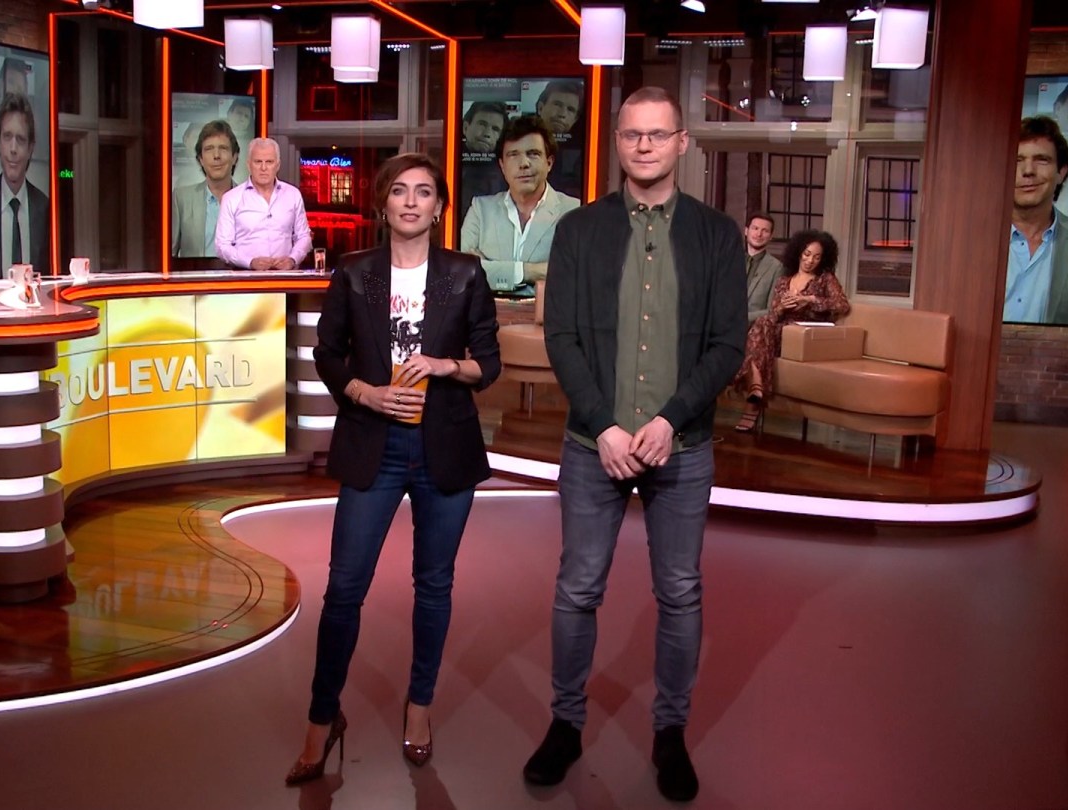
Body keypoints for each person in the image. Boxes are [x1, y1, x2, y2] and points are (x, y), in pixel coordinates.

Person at [525, 87, 745, 803]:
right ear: (616, 142)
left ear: (682, 143)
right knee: (577, 588)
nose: (644, 146)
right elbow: (561, 336)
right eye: (632, 135)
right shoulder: (579, 231)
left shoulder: (717, 235)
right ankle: (565, 724)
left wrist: (670, 420)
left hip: (682, 447)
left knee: (679, 592)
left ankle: (670, 732)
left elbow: (728, 344)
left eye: (657, 134)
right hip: (595, 444)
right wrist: (606, 425)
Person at [287, 153, 500, 785]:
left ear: (439, 207)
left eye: (424, 192)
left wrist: (444, 366)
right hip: (372, 445)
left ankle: (419, 705)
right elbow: (328, 355)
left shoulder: (465, 273)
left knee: (433, 586)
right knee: (344, 590)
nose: (411, 201)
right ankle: (322, 719)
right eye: (400, 191)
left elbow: (487, 363)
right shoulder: (355, 273)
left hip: (444, 447)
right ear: (382, 204)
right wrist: (365, 393)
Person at [731, 229, 850, 431]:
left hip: (804, 334)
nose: (810, 261)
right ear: (798, 252)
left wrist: (810, 300)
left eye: (816, 257)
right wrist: (782, 307)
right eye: (807, 254)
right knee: (763, 323)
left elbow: (841, 305)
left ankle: (753, 399)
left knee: (759, 330)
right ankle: (756, 389)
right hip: (780, 331)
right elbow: (774, 314)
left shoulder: (825, 279)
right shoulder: (784, 281)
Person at [459, 115, 581, 292]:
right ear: (502, 165)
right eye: (513, 155)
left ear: (549, 163)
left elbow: (575, 273)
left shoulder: (574, 211)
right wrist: (530, 271)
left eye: (533, 154)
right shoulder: (480, 209)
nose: (523, 163)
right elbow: (463, 271)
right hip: (489, 310)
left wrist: (489, 268)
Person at [1008, 116, 1068, 324]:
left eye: (1042, 160)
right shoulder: (971, 237)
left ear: (1061, 172)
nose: (1028, 171)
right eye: (1017, 160)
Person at [0, 93, 50, 281]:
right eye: (7, 137)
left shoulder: (45, 208)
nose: (13, 149)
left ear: (30, 148)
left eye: (20, 139)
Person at [215, 137, 313, 270]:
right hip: (245, 276)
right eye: (258, 162)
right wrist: (250, 262)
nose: (263, 168)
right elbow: (222, 245)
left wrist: (292, 259)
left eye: (269, 162)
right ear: (248, 165)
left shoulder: (293, 194)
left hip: (284, 276)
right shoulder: (231, 198)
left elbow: (304, 236)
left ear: (277, 165)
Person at [172, 120, 239, 258]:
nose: (216, 156)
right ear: (201, 159)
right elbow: (169, 255)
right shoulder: (181, 198)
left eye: (223, 148)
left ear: (234, 157)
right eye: (209, 149)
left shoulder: (250, 199)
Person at [743, 212, 783, 324]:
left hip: (755, 329)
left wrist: (741, 318)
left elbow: (773, 309)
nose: (759, 234)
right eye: (755, 228)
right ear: (746, 231)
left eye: (765, 231)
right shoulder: (730, 260)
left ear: (771, 236)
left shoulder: (776, 267)